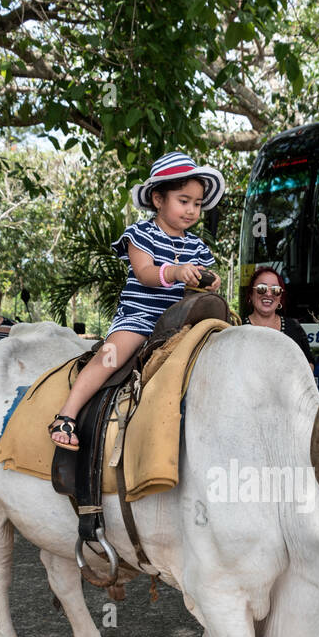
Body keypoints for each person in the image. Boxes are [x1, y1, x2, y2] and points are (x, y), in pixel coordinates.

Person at [49, 151, 224, 448]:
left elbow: (206, 274)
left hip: (181, 324)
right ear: (158, 199)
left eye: (197, 203)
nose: (192, 210)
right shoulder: (141, 234)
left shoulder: (196, 245)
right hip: (141, 318)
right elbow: (144, 273)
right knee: (111, 356)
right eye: (184, 201)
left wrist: (210, 280)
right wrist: (177, 272)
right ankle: (66, 415)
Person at [242, 267, 314, 364]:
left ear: (280, 297)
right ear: (251, 294)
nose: (268, 294)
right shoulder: (238, 327)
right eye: (261, 288)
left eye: (275, 290)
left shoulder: (293, 327)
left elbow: (309, 364)